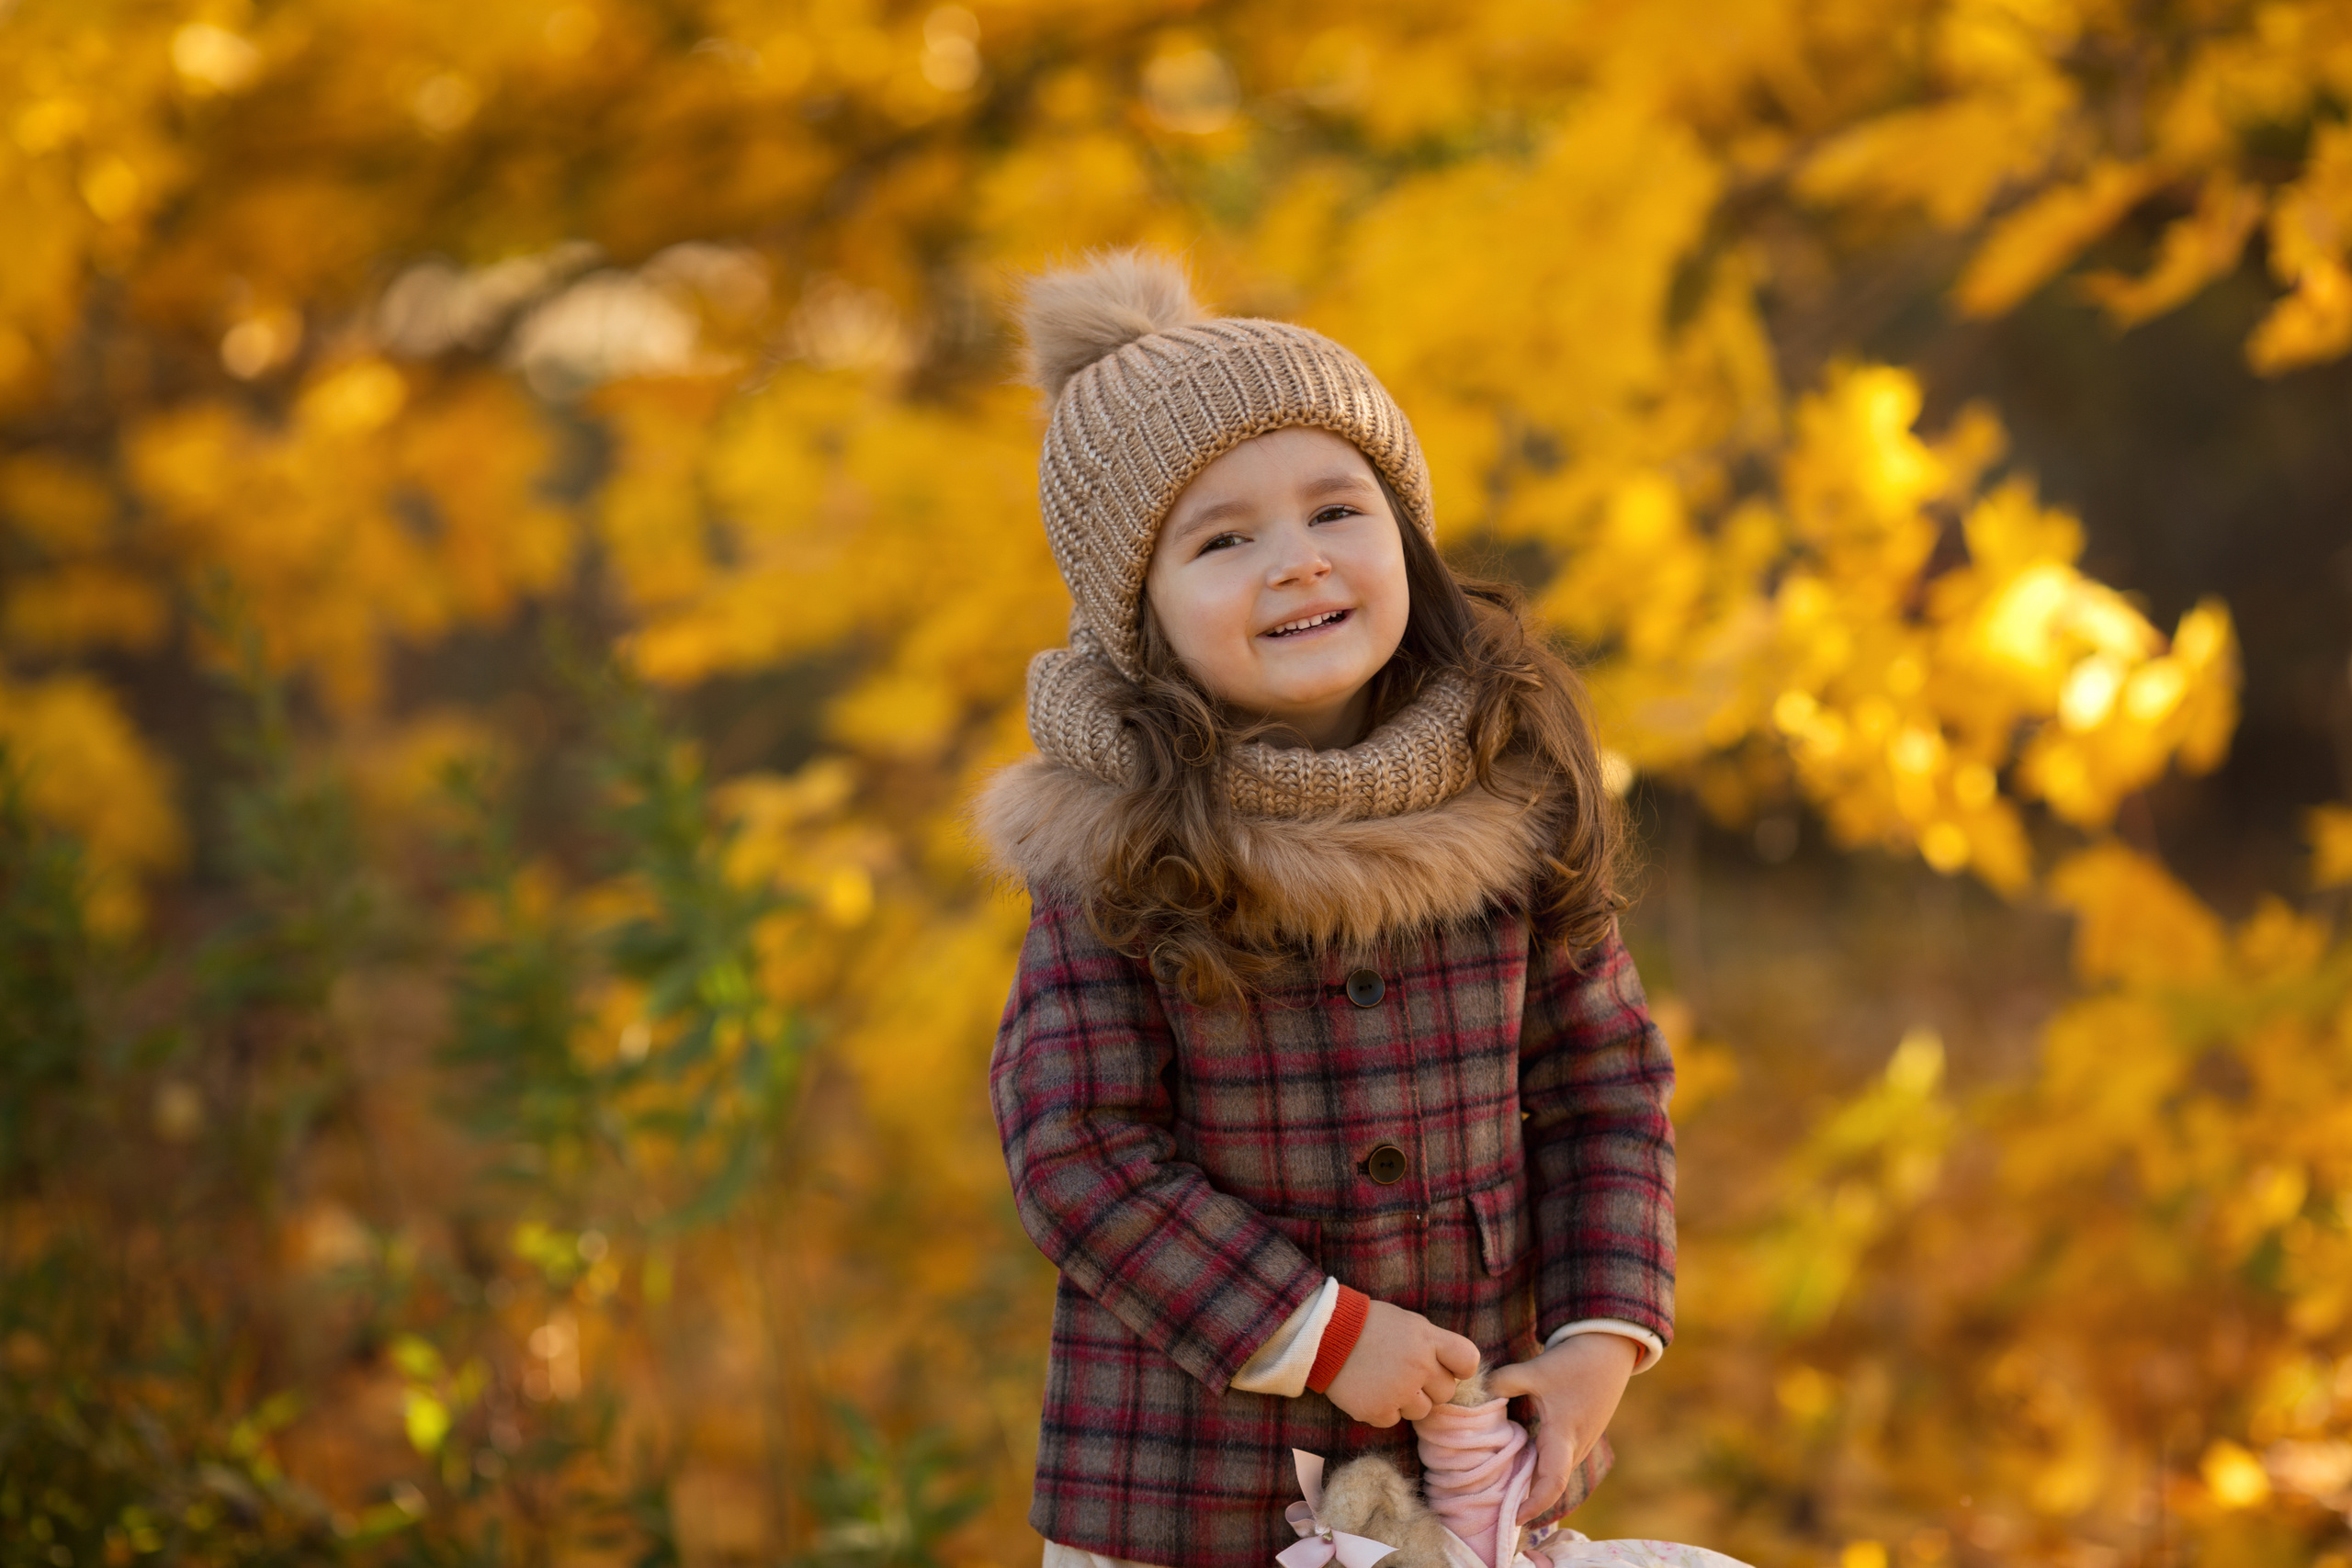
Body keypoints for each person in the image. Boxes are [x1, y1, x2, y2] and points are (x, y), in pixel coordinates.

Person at [978, 251, 1676, 1568]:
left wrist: (1596, 1339)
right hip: (1185, 1502)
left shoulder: (1508, 800)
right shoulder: (1118, 854)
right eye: (1223, 539)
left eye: (1335, 510)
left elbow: (1606, 1092)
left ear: (1403, 533)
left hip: (1457, 1480)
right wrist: (1323, 1334)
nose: (1295, 564)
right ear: (1141, 619)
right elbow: (1077, 1149)